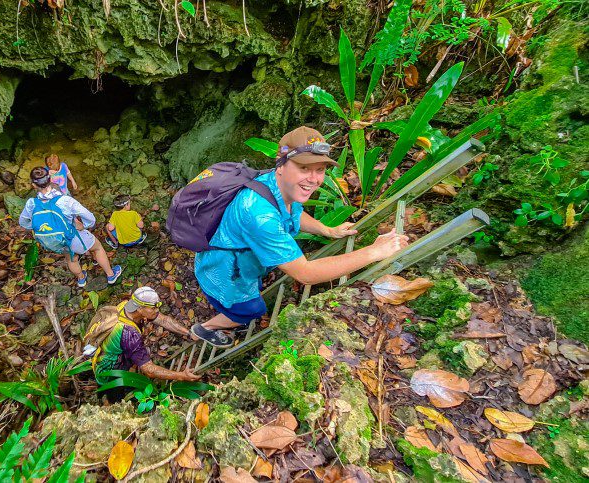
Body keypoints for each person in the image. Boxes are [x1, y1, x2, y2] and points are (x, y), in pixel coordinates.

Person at [189, 126, 410, 348]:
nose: (314, 179)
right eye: (304, 168)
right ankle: (206, 328)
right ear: (281, 163)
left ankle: (233, 313)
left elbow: (294, 212)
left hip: (242, 261)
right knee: (252, 310)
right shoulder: (259, 214)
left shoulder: (276, 183)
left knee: (251, 290)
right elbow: (305, 274)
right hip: (224, 272)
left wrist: (327, 230)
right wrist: (374, 251)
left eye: (320, 169)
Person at [84, 287, 200, 402]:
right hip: (110, 370)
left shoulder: (126, 306)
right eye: (153, 308)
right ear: (140, 308)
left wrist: (189, 333)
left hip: (115, 355)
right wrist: (181, 376)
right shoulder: (128, 334)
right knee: (115, 394)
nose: (157, 310)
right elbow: (149, 369)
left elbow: (163, 320)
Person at [19, 167, 122, 288]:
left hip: (55, 240)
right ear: (50, 179)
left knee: (71, 259)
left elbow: (23, 222)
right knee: (98, 247)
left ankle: (81, 279)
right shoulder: (65, 201)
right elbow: (90, 218)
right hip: (72, 235)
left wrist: (38, 227)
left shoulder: (31, 203)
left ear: (33, 185)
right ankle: (110, 275)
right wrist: (84, 226)